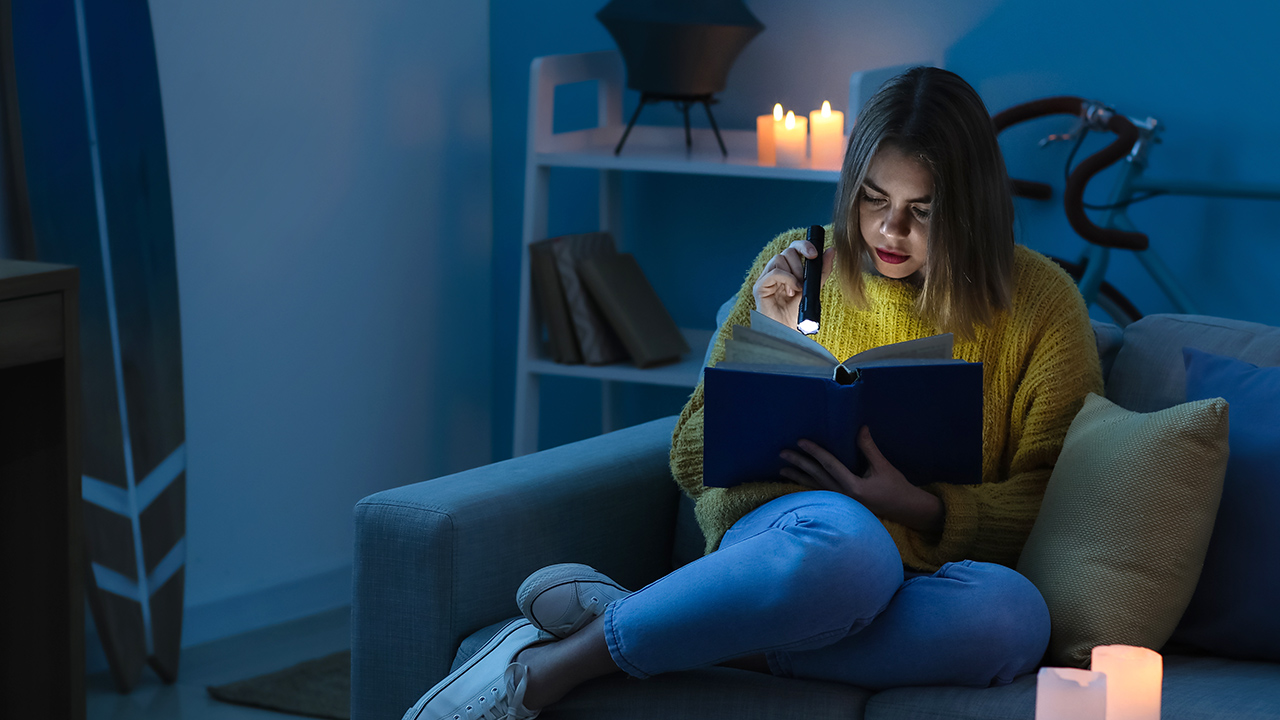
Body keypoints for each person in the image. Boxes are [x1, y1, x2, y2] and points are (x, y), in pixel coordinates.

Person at [402, 66, 1104, 720]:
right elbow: (690, 453)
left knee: (1011, 619)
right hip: (793, 544)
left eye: (924, 210)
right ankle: (550, 668)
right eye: (874, 200)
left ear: (973, 207)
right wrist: (765, 342)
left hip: (931, 572)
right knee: (852, 550)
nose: (891, 231)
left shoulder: (1042, 304)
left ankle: (642, 618)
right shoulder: (798, 265)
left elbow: (1058, 495)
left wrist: (918, 505)